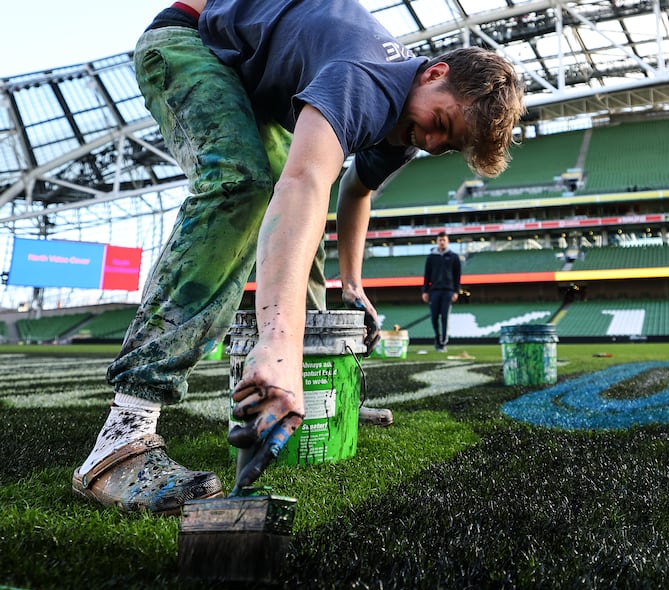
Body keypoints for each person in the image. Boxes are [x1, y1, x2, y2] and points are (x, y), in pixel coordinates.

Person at [71, 0, 524, 515]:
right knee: (243, 186)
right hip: (192, 41)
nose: (430, 139)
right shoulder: (366, 78)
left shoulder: (405, 122)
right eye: (438, 121)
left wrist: (351, 284)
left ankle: (308, 390)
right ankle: (122, 435)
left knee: (298, 234)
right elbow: (303, 184)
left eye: (446, 144)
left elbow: (356, 192)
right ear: (434, 72)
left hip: (251, 79)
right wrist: (277, 345)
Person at [422, 232, 462, 352]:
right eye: (440, 240)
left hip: (448, 291)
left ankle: (443, 342)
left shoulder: (454, 257)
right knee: (434, 317)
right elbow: (427, 275)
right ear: (437, 241)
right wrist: (425, 291)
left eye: (444, 240)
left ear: (447, 241)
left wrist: (456, 291)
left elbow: (457, 276)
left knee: (445, 317)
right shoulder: (431, 257)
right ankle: (437, 337)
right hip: (434, 291)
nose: (442, 242)